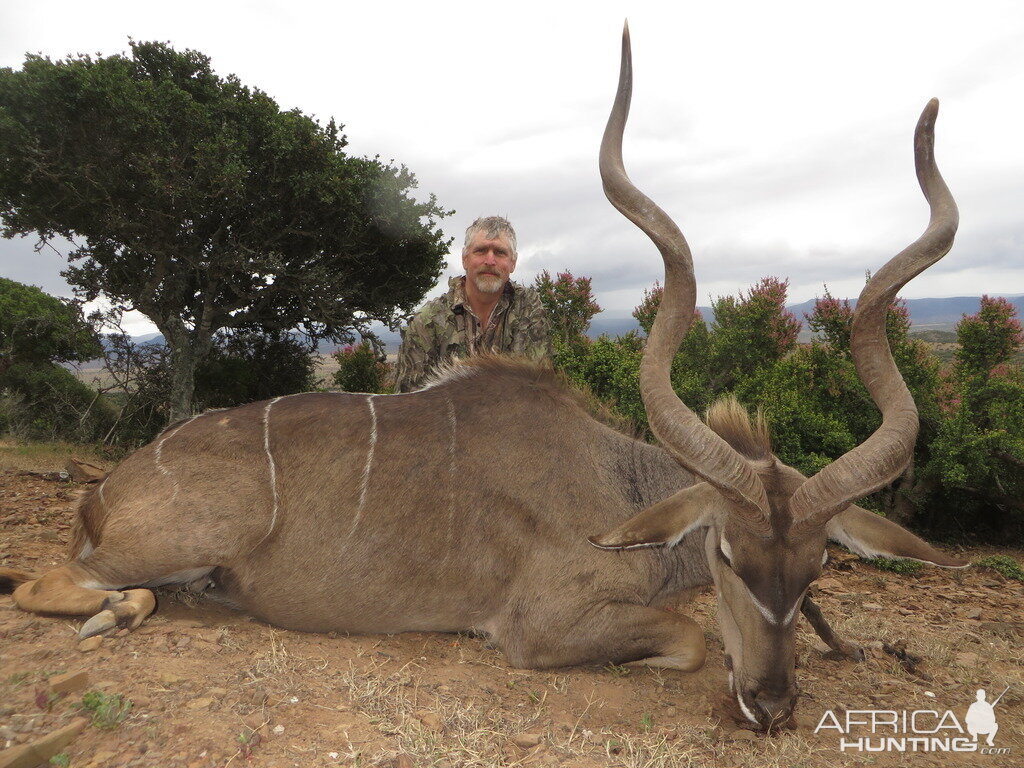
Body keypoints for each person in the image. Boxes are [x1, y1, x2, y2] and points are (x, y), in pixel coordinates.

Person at [394, 216, 552, 392]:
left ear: (512, 263)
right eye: (481, 250)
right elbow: (410, 400)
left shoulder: (529, 310)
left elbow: (534, 388)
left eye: (500, 252)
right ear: (465, 259)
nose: (490, 261)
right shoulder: (426, 322)